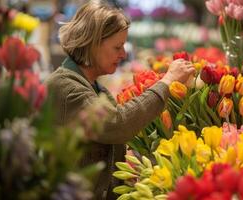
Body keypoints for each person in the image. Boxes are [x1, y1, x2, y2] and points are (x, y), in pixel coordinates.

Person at [45, 0, 195, 199]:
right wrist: (167, 82)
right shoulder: (67, 88)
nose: (123, 54)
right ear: (92, 43)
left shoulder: (93, 87)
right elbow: (117, 124)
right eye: (117, 47)